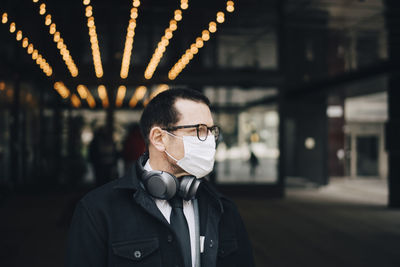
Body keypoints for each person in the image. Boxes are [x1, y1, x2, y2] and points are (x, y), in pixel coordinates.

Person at [66, 88, 255, 267]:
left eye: (211, 131)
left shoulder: (223, 209)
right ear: (158, 138)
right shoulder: (98, 209)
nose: (209, 141)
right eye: (198, 130)